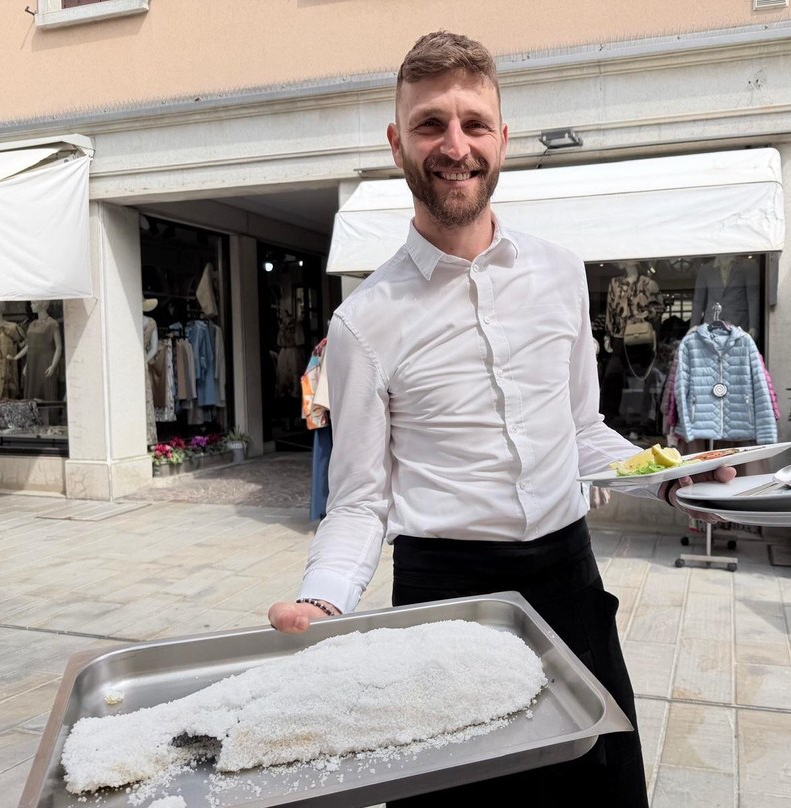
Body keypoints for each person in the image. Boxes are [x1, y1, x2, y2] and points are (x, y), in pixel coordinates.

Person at [267, 31, 735, 807]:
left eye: (474, 123)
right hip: (444, 602)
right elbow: (359, 500)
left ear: (502, 139)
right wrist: (323, 598)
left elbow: (581, 432)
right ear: (397, 144)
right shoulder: (363, 323)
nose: (455, 146)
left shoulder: (561, 274)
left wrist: (673, 480)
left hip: (568, 585)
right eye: (430, 124)